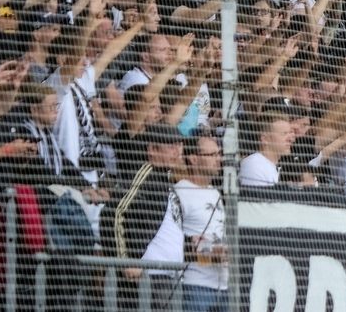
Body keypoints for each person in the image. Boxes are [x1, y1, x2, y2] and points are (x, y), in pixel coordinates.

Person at [110, 124, 186, 310]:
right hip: (148, 277)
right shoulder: (146, 174)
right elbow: (115, 212)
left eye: (180, 145)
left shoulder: (163, 179)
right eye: (171, 146)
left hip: (169, 278)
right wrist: (128, 261)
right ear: (152, 149)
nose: (178, 151)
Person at [176, 135, 228, 312]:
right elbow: (176, 241)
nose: (218, 159)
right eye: (212, 155)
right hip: (195, 284)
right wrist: (211, 253)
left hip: (223, 285)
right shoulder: (181, 192)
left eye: (218, 154)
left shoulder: (214, 192)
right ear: (193, 158)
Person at [239, 112, 293, 187]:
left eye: (289, 133)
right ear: (265, 139)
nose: (290, 139)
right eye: (284, 134)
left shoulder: (270, 166)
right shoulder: (254, 165)